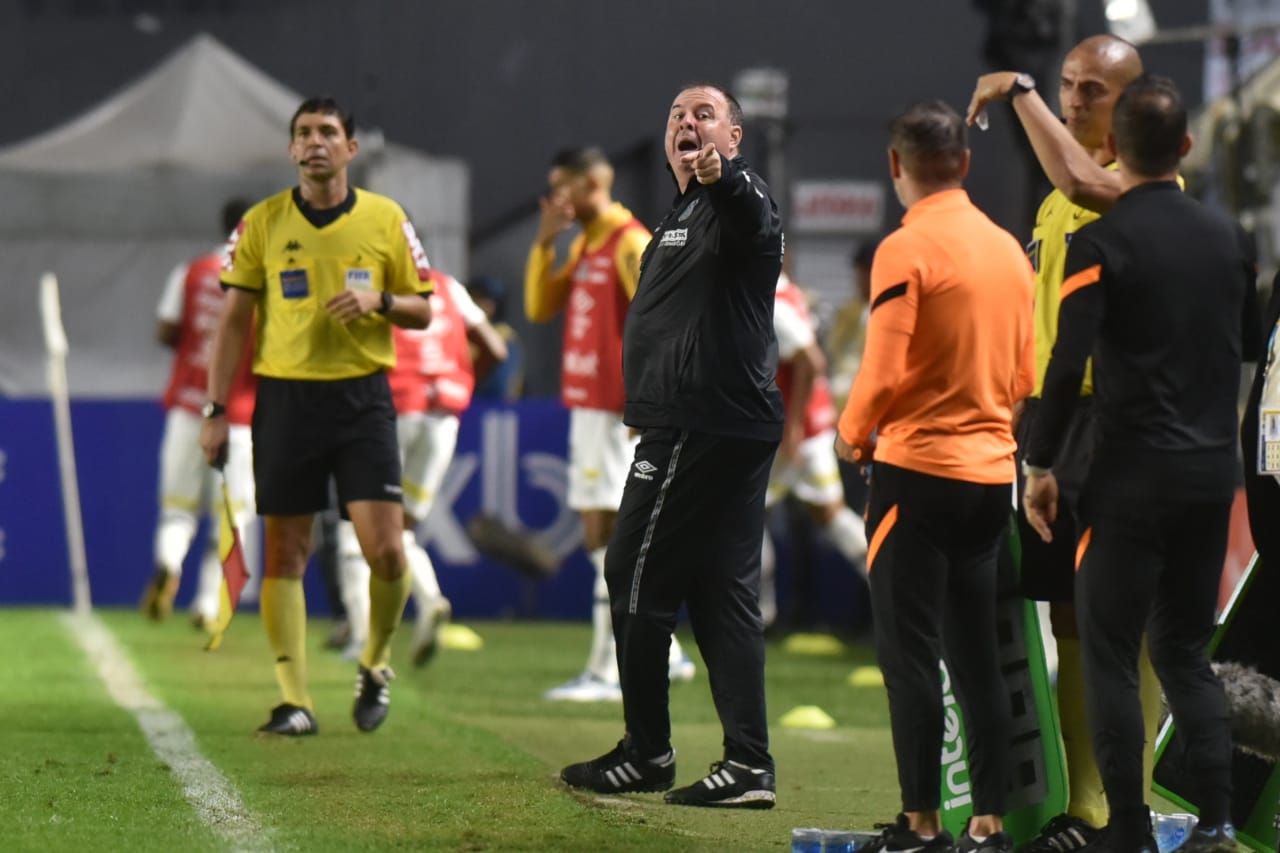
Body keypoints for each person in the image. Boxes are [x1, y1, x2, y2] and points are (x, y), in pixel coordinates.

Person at [1022, 75, 1256, 853]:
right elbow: (1248, 350)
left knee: (1112, 652)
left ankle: (1126, 828)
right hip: (1207, 477)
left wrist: (1041, 463)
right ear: (1187, 148)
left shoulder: (1100, 244)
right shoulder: (1234, 242)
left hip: (1126, 476)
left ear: (1114, 151)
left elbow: (1064, 367)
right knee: (1186, 652)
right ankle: (1217, 823)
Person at [560, 81, 783, 809]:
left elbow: (751, 211)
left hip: (703, 421)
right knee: (721, 593)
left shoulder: (734, 201)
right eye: (677, 116)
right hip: (709, 419)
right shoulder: (680, 215)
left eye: (705, 114)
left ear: (734, 137)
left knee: (631, 573)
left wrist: (728, 178)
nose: (687, 122)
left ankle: (646, 751)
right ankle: (748, 765)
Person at [966, 35, 1161, 852]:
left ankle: (1126, 809)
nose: (1075, 101)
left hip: (1115, 424)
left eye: (1092, 91)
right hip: (1056, 422)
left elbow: (1086, 179)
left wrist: (1019, 89)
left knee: (1121, 620)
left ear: (1133, 106)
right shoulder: (1054, 199)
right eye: (1068, 86)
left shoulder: (1131, 187)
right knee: (1071, 619)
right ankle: (1085, 810)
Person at [835, 100, 1034, 853]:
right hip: (990, 480)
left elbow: (881, 372)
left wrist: (852, 436)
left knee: (909, 655)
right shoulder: (1009, 250)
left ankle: (921, 823)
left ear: (896, 167)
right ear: (966, 163)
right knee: (977, 655)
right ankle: (987, 820)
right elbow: (1023, 375)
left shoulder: (904, 248)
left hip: (915, 475)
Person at [200, 96, 434, 736]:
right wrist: (217, 409)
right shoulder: (262, 222)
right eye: (303, 133)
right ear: (291, 148)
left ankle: (376, 661)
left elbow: (425, 308)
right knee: (286, 554)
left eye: (328, 132)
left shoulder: (386, 220)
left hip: (362, 399)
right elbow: (233, 323)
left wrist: (378, 298)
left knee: (385, 550)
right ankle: (294, 699)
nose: (315, 143)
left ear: (350, 149)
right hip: (285, 401)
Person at [524, 145, 691, 702]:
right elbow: (538, 306)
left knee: (615, 537)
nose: (553, 198)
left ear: (591, 184)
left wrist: (651, 402)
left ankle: (611, 670)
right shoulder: (585, 244)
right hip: (590, 407)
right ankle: (662, 652)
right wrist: (546, 239)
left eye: (560, 187)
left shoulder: (629, 242)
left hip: (618, 412)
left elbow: (665, 321)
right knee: (603, 535)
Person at [336, 266, 508, 665]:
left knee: (354, 527)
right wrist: (464, 382)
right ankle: (430, 601)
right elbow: (495, 350)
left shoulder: (369, 285)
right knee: (403, 526)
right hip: (443, 416)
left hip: (393, 410)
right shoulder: (448, 285)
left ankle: (362, 639)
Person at [142, 199, 258, 628]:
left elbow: (166, 329)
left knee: (178, 508)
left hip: (190, 407)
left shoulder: (192, 272)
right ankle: (208, 604)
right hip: (241, 415)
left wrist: (199, 347)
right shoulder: (268, 281)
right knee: (231, 517)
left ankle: (169, 565)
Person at [759, 270, 868, 629]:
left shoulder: (773, 301)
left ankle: (759, 614)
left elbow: (810, 359)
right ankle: (891, 593)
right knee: (831, 516)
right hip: (813, 428)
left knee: (742, 517)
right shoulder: (787, 289)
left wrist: (791, 427)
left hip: (796, 433)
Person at [467, 273, 524, 401]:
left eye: (482, 299)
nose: (483, 304)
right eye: (474, 298)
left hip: (489, 405)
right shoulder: (460, 330)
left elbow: (501, 385)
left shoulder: (505, 335)